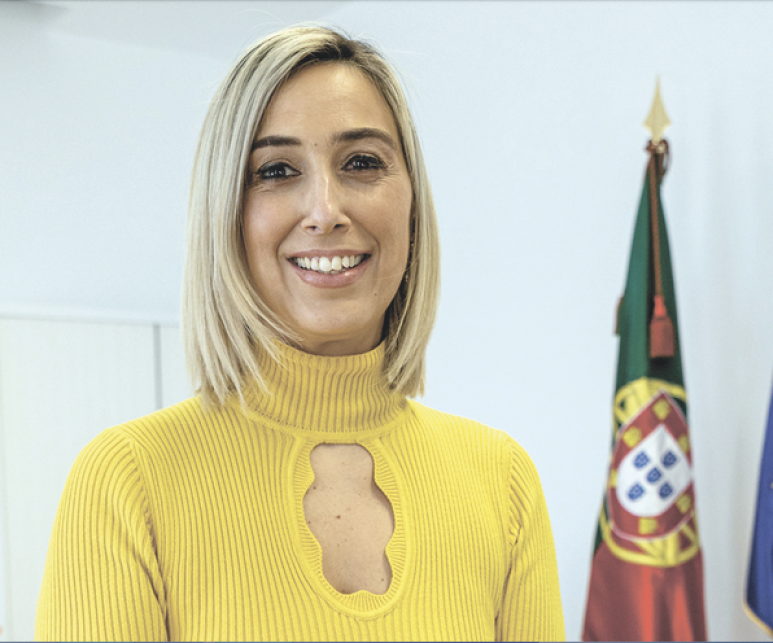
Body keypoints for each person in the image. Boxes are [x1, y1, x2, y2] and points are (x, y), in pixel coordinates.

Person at [36, 24, 564, 641]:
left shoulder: (502, 481)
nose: (325, 211)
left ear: (412, 202)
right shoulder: (128, 481)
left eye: (362, 162)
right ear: (225, 214)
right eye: (277, 170)